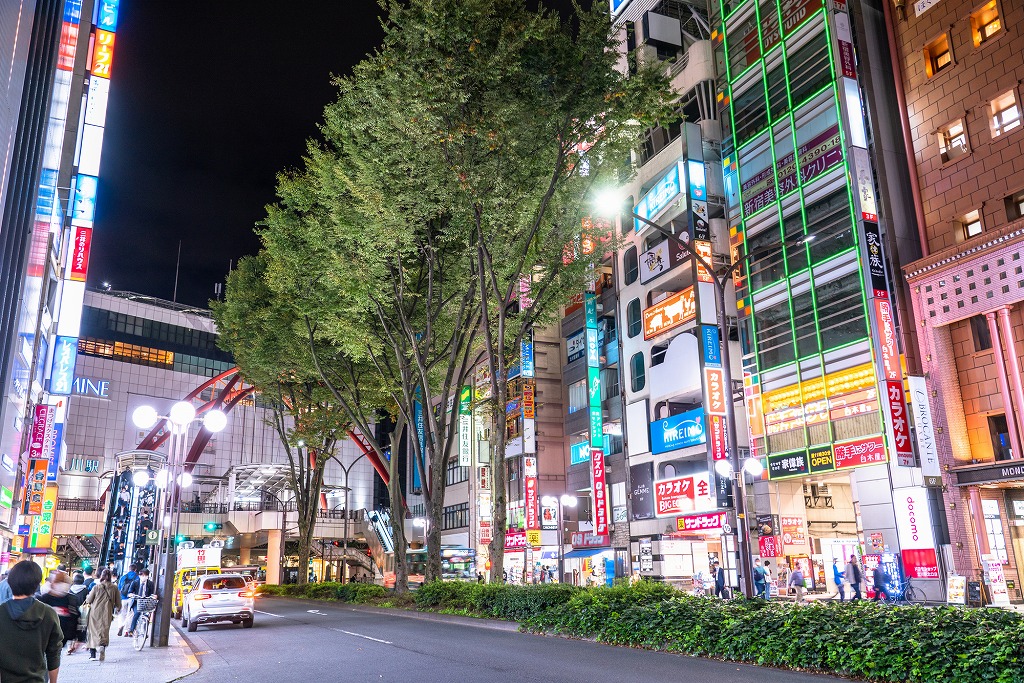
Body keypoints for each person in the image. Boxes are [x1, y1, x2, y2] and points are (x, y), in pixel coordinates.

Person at [0, 560, 63, 683]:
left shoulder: (1, 612)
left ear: (10, 582)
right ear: (37, 584)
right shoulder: (48, 613)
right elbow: (53, 654)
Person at [38, 571, 81, 656]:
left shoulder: (71, 600)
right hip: (44, 640)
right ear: (51, 583)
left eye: (64, 582)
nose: (62, 585)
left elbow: (76, 618)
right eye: (58, 582)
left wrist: (78, 638)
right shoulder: (44, 600)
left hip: (61, 640)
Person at [83, 569, 121, 662]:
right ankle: (102, 646)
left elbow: (89, 600)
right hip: (107, 613)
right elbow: (118, 602)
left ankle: (92, 655)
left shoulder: (97, 587)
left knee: (92, 632)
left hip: (95, 612)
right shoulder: (114, 588)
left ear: (101, 576)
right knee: (104, 630)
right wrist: (118, 609)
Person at [125, 569, 156, 637]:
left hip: (146, 602)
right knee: (137, 613)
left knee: (147, 615)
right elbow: (129, 592)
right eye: (142, 575)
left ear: (148, 576)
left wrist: (154, 596)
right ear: (139, 575)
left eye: (145, 575)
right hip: (136, 601)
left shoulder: (150, 584)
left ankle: (145, 632)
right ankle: (131, 630)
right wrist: (131, 595)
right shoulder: (135, 582)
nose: (143, 577)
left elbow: (152, 593)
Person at [115, 564, 139, 636]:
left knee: (122, 614)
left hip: (123, 598)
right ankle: (126, 630)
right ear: (135, 569)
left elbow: (119, 588)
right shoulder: (137, 577)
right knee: (130, 614)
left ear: (129, 569)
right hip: (132, 598)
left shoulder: (123, 577)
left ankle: (120, 626)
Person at [68, 575, 90, 654]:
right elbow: (88, 600)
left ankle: (70, 646)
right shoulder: (85, 590)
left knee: (71, 627)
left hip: (72, 610)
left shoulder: (70, 589)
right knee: (80, 627)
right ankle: (78, 643)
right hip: (82, 611)